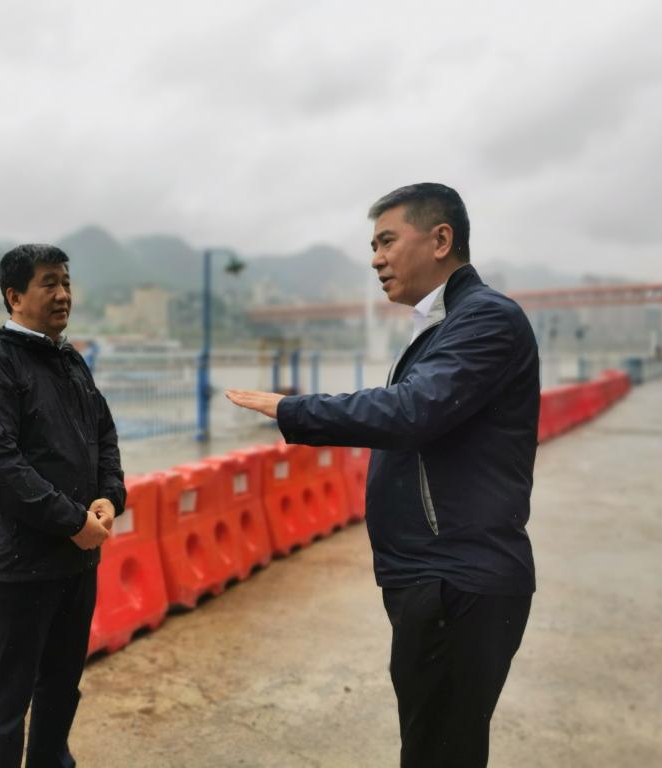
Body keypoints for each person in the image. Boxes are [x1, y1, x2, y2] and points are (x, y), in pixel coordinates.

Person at [226, 183, 538, 768]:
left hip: (455, 577)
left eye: (387, 241)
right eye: (373, 245)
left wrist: (293, 409)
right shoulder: (448, 323)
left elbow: (412, 411)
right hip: (437, 576)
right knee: (437, 747)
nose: (376, 259)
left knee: (438, 751)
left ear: (440, 239)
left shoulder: (487, 318)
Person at [0, 243, 126, 768]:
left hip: (77, 559)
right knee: (8, 696)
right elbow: (0, 467)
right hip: (22, 566)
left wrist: (109, 497)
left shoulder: (69, 360)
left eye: (66, 282)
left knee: (62, 684)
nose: (63, 294)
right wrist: (71, 520)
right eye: (49, 283)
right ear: (14, 296)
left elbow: (103, 435)